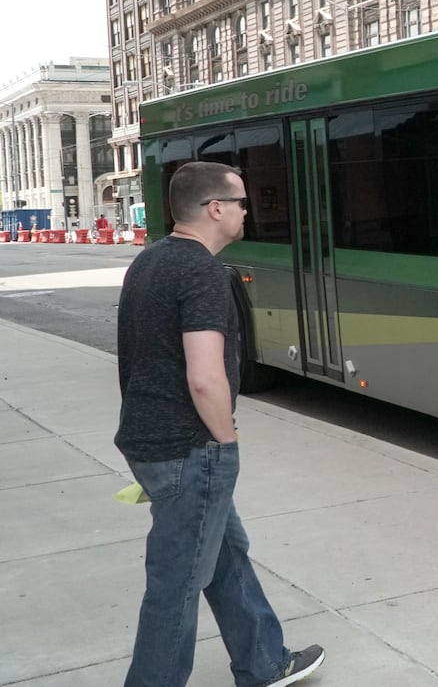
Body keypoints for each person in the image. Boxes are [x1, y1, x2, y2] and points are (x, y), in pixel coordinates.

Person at [115, 161, 323, 687]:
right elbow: (205, 376)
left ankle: (264, 662)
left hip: (149, 440)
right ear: (215, 209)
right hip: (191, 447)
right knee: (177, 583)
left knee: (226, 554)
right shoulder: (203, 271)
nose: (247, 212)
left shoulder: (151, 260)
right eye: (241, 203)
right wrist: (224, 443)